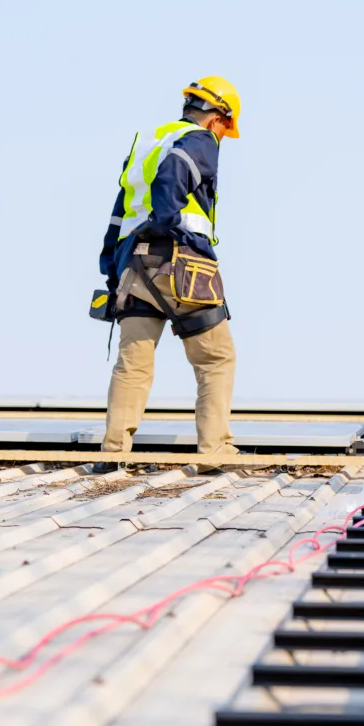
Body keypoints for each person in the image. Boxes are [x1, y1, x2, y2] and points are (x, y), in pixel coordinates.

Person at [97, 76, 241, 470]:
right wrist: (165, 223)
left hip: (134, 266)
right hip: (182, 264)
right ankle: (215, 454)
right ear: (217, 119)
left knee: (133, 361)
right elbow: (174, 177)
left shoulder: (146, 143)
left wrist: (112, 274)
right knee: (215, 358)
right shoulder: (199, 140)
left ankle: (113, 456)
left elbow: (118, 215)